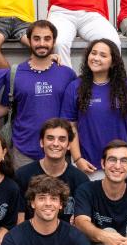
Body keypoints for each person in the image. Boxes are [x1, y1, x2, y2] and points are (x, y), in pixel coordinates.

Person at [63, 38, 127, 180]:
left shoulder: (126, 87)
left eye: (103, 55)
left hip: (120, 165)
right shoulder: (75, 87)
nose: (96, 58)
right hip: (88, 165)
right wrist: (77, 159)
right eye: (93, 53)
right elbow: (70, 125)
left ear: (113, 62)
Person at [7, 20, 78, 169]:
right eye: (36, 38)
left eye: (47, 38)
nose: (42, 43)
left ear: (54, 41)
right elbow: (4, 107)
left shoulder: (67, 74)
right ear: (29, 40)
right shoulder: (15, 73)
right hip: (23, 150)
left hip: (58, 151)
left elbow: (75, 114)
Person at [14, 118, 89, 219]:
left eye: (62, 139)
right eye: (50, 138)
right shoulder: (22, 176)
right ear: (41, 142)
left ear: (69, 145)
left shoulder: (81, 180)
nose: (55, 144)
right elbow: (19, 220)